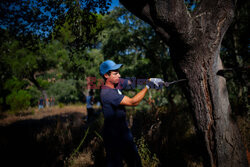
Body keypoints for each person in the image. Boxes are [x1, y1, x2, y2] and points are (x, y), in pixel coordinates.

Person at [99, 60, 162, 167]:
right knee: (115, 164)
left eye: (118, 72)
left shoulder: (116, 83)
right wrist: (148, 86)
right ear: (106, 75)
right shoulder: (107, 93)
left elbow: (132, 82)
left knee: (135, 161)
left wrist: (150, 80)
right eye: (115, 73)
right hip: (112, 134)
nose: (119, 75)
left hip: (123, 130)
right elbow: (133, 102)